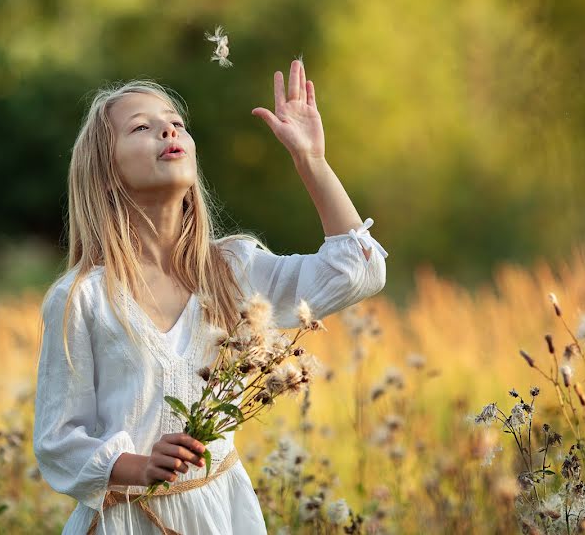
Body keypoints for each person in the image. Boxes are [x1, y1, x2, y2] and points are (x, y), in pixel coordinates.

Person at [32, 59, 388, 534]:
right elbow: (57, 439)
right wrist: (137, 466)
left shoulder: (234, 270)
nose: (167, 131)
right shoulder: (82, 297)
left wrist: (312, 161)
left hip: (221, 515)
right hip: (127, 522)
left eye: (175, 123)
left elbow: (358, 271)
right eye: (142, 127)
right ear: (106, 170)